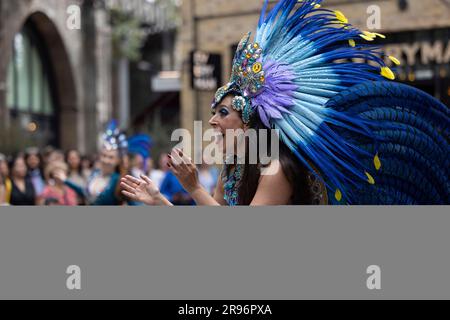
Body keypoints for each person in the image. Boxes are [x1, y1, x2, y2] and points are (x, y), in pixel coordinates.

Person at [121, 0, 449, 206]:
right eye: (212, 113)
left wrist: (193, 187)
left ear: (249, 122)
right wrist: (159, 201)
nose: (211, 122)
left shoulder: (276, 170)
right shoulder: (232, 168)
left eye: (222, 113)